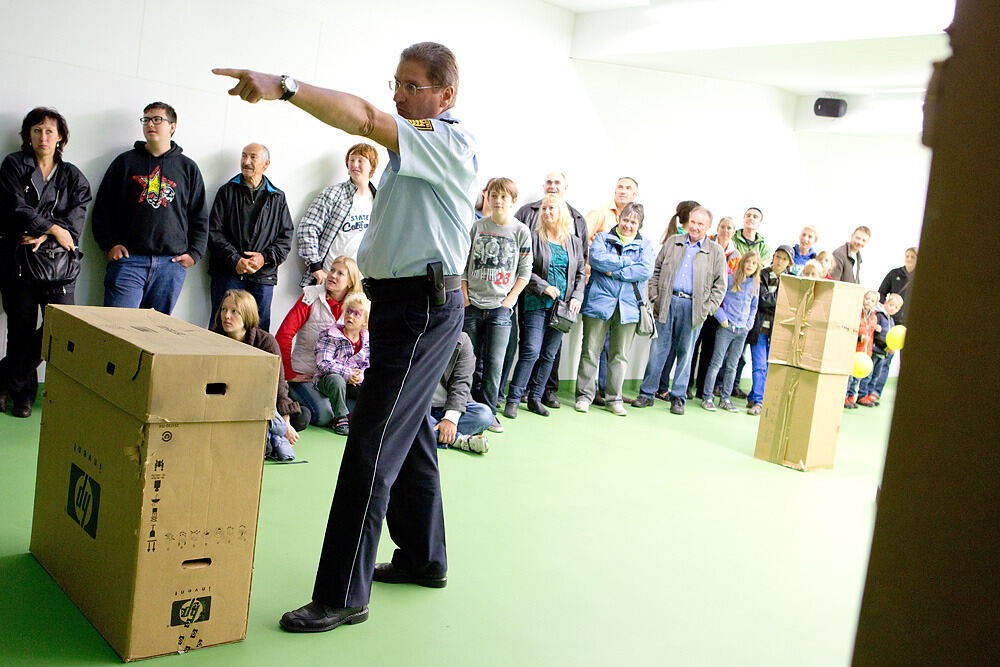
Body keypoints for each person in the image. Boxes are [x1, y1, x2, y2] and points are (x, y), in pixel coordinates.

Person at [215, 40, 478, 632]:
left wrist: (284, 87)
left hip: (422, 309)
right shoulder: (418, 148)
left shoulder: (446, 142)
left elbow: (362, 117)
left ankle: (342, 595)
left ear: (446, 95)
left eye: (413, 86)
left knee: (370, 443)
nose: (399, 96)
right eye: (396, 83)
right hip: (401, 306)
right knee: (408, 433)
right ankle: (424, 558)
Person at [0, 107, 92, 418]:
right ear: (28, 135)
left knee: (60, 327)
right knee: (20, 331)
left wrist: (46, 234)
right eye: (37, 130)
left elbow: (74, 225)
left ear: (61, 137)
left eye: (50, 131)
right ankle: (23, 397)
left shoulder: (73, 176)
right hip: (18, 262)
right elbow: (14, 208)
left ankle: (4, 382)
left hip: (59, 267)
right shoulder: (14, 164)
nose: (43, 137)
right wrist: (52, 228)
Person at [92, 101, 208, 315]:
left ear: (172, 127)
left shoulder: (188, 168)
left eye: (157, 119)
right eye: (146, 120)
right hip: (129, 262)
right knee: (117, 325)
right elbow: (102, 209)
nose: (150, 124)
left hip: (171, 265)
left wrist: (194, 253)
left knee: (154, 330)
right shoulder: (124, 163)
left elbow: (199, 216)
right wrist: (110, 244)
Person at [632, 206, 727, 415]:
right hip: (667, 302)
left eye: (700, 224)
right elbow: (655, 269)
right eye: (693, 222)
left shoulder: (715, 251)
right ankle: (647, 394)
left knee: (686, 353)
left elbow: (720, 286)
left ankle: (678, 398)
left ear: (708, 227)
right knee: (658, 350)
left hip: (694, 308)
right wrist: (655, 297)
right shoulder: (673, 242)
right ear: (687, 222)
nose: (695, 227)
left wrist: (707, 309)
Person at [512, 171, 589, 409]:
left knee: (549, 355)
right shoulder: (532, 237)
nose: (546, 212)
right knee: (531, 350)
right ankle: (514, 398)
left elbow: (580, 273)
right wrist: (544, 287)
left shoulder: (574, 242)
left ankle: (536, 398)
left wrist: (577, 296)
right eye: (543, 209)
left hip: (563, 308)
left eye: (551, 209)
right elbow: (522, 268)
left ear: (561, 213)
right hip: (535, 303)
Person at [462, 177, 532, 432]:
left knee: (494, 364)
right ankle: (466, 408)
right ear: (487, 198)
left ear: (513, 201)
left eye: (503, 196)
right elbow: (463, 265)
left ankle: (489, 412)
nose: (498, 200)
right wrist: (466, 297)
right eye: (494, 195)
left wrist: (508, 301)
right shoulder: (477, 227)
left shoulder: (521, 231)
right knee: (469, 361)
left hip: (500, 309)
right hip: (472, 305)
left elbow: (525, 272)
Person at [575, 202, 654, 416]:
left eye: (633, 222)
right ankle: (584, 397)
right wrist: (627, 263)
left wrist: (615, 272)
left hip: (629, 307)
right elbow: (597, 259)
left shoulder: (646, 245)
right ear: (619, 219)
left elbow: (645, 270)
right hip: (599, 302)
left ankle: (614, 399)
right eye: (625, 219)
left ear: (639, 225)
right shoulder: (602, 238)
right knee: (590, 351)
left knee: (619, 355)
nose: (628, 225)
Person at [207, 143, 293, 331]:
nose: (246, 161)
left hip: (263, 277)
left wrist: (264, 258)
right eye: (244, 156)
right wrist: (235, 260)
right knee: (221, 328)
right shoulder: (227, 191)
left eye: (253, 157)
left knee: (258, 332)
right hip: (228, 273)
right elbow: (213, 232)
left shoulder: (277, 197)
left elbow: (285, 239)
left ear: (266, 164)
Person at [213, 289, 303, 460]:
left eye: (234, 311)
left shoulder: (266, 341)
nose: (227, 316)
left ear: (247, 314)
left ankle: (274, 431)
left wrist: (285, 422)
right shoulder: (213, 338)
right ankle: (271, 434)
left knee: (302, 417)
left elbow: (278, 383)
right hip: (228, 404)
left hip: (261, 402)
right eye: (224, 309)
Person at [275, 256, 363, 427]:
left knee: (356, 409)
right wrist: (288, 373)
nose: (333, 275)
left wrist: (355, 373)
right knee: (324, 417)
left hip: (335, 377)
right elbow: (284, 335)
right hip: (306, 374)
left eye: (340, 273)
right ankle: (290, 397)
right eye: (332, 270)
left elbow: (363, 345)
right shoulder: (310, 297)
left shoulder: (357, 307)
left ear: (350, 282)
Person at [584, 177, 639, 406]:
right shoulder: (601, 213)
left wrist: (613, 269)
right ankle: (588, 392)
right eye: (620, 187)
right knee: (592, 346)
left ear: (635, 194)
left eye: (628, 188)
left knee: (613, 348)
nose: (623, 191)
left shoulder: (636, 224)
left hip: (622, 297)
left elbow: (642, 267)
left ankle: (609, 391)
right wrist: (595, 266)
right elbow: (582, 241)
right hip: (597, 287)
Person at [296, 143, 379, 285]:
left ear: (372, 166)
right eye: (351, 160)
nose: (355, 165)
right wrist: (315, 267)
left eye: (360, 160)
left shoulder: (379, 200)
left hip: (360, 280)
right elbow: (307, 228)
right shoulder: (332, 194)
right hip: (329, 277)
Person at [686, 215, 740, 400]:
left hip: (718, 308)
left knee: (708, 350)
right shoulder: (706, 243)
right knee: (693, 346)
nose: (725, 230)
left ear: (734, 232)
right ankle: (687, 386)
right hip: (698, 303)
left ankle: (702, 388)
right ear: (717, 228)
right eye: (723, 226)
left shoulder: (736, 256)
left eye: (729, 228)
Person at [701, 251, 761, 413]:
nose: (750, 265)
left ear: (757, 267)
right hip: (726, 328)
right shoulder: (729, 279)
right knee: (716, 363)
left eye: (754, 263)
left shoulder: (755, 285)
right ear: (742, 262)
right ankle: (707, 397)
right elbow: (716, 300)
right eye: (748, 262)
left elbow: (754, 307)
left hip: (742, 331)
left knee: (732, 366)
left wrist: (748, 324)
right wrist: (722, 318)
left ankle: (725, 399)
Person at [314, 292, 371, 436]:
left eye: (356, 314)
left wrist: (360, 376)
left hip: (352, 383)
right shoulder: (331, 336)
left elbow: (368, 365)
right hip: (328, 380)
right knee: (337, 380)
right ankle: (340, 418)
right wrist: (348, 373)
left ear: (365, 322)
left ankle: (362, 418)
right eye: (349, 311)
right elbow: (323, 363)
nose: (350, 316)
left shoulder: (367, 341)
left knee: (372, 385)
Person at [746, 245, 793, 415]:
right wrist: (779, 302)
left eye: (784, 259)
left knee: (768, 366)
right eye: (778, 256)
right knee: (759, 365)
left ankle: (753, 396)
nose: (779, 261)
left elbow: (790, 305)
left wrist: (775, 302)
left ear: (789, 263)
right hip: (759, 328)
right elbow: (762, 300)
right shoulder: (762, 274)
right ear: (773, 256)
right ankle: (759, 401)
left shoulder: (791, 280)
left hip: (777, 332)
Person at [431, 332, 491, 454]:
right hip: (421, 410)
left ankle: (429, 433)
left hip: (449, 406)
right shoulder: (414, 335)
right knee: (405, 420)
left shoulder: (462, 340)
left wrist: (450, 419)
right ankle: (458, 440)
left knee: (484, 415)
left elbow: (462, 383)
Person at [859, 293, 903, 406]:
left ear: (898, 310)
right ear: (885, 303)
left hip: (883, 354)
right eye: (891, 305)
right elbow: (877, 336)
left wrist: (891, 347)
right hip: (876, 350)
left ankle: (869, 395)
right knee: (868, 375)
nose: (892, 308)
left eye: (895, 307)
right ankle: (862, 395)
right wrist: (885, 347)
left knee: (876, 376)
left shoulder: (891, 321)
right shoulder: (879, 316)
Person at [845, 290, 880, 408]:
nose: (868, 302)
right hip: (855, 350)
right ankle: (844, 397)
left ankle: (851, 397)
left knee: (857, 378)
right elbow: (850, 330)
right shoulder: (857, 313)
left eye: (872, 300)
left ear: (875, 304)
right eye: (867, 298)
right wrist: (860, 338)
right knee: (850, 377)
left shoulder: (874, 317)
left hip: (865, 352)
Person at [878, 247, 916, 325]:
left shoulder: (921, 278)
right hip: (891, 319)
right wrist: (885, 309)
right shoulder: (894, 273)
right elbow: (881, 293)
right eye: (907, 256)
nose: (909, 259)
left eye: (912, 257)